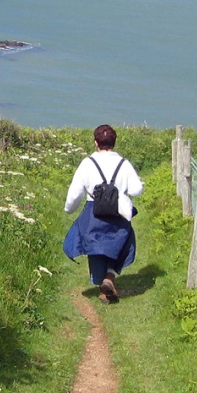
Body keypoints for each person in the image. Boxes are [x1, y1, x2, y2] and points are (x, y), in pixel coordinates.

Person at [63, 124, 144, 303]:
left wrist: (69, 209)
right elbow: (137, 190)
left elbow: (75, 193)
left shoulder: (87, 164)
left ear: (95, 143)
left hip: (94, 213)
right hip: (118, 213)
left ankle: (102, 282)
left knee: (95, 247)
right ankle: (110, 277)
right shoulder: (124, 164)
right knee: (121, 244)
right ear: (114, 142)